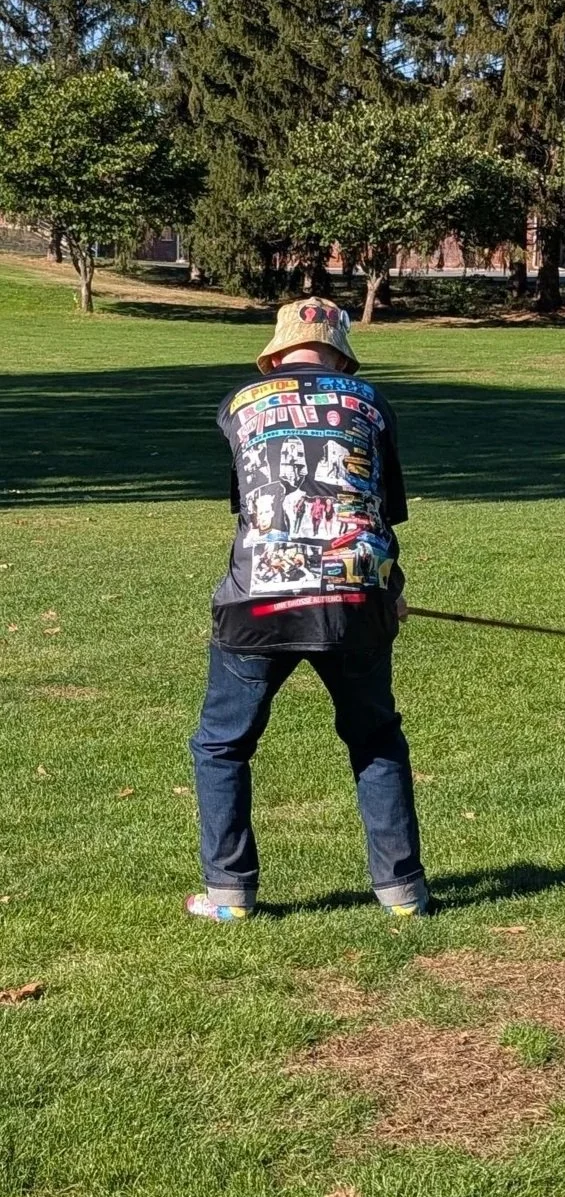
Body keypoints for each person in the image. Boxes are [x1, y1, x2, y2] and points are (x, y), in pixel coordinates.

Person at [186, 298, 429, 921]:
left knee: (221, 745)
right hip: (356, 598)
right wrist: (390, 587)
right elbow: (379, 508)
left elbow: (252, 505)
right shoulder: (373, 404)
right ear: (342, 357)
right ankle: (402, 893)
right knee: (375, 737)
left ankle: (229, 893)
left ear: (274, 356)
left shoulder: (238, 404)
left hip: (257, 604)